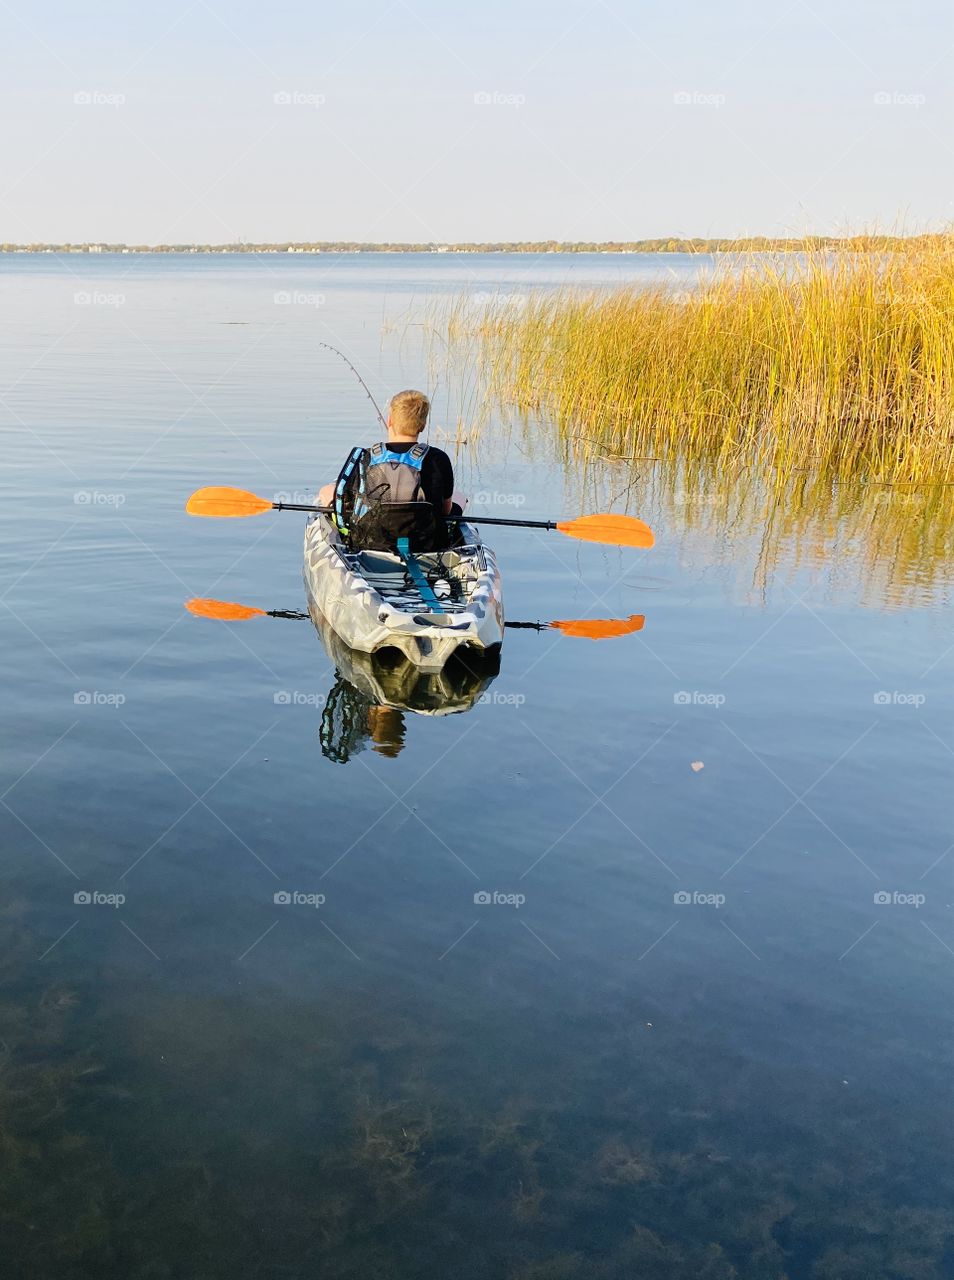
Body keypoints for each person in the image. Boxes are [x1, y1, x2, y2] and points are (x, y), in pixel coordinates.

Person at [317, 389, 462, 552]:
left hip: (372, 541)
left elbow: (347, 501)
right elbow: (446, 510)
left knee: (326, 491)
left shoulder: (367, 457)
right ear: (422, 425)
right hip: (426, 542)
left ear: (390, 420)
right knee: (459, 498)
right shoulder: (439, 458)